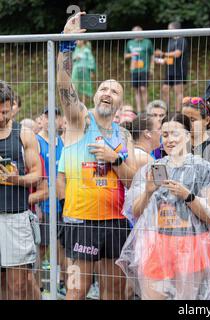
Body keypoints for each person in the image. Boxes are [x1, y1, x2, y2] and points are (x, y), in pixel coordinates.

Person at [56, 12, 136, 300]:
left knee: (113, 293)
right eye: (103, 88)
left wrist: (114, 159)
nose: (107, 92)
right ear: (93, 96)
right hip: (81, 222)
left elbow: (131, 181)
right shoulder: (80, 121)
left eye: (114, 91)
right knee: (76, 292)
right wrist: (67, 46)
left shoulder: (124, 135)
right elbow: (64, 87)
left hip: (115, 223)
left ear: (120, 103)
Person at [117, 113, 210, 299]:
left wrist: (187, 196)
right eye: (165, 135)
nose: (169, 140)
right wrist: (147, 191)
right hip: (155, 244)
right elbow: (135, 212)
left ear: (188, 135)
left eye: (175, 134)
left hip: (191, 246)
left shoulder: (205, 169)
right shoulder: (152, 169)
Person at [0, 81, 42, 300]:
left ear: (12, 106)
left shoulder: (23, 134)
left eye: (5, 112)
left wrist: (17, 179)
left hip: (16, 216)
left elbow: (37, 174)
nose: (1, 117)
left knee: (18, 284)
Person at [34, 107, 66, 295]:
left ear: (61, 120)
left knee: (62, 245)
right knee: (42, 246)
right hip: (44, 204)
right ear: (42, 119)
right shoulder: (37, 142)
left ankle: (62, 283)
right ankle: (38, 287)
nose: (51, 120)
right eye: (47, 116)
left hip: (63, 203)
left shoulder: (62, 142)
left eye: (56, 116)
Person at [181, 96, 210, 166]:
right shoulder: (178, 144)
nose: (187, 123)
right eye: (184, 119)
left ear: (207, 120)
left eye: (192, 120)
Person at [155, 22, 189, 112]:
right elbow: (169, 56)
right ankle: (167, 110)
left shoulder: (182, 40)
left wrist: (162, 53)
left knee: (178, 91)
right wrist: (162, 60)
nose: (167, 31)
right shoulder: (170, 41)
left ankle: (178, 112)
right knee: (165, 89)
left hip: (179, 70)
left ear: (175, 29)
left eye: (169, 29)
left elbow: (177, 54)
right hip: (169, 70)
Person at [125, 26, 154, 113]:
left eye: (138, 32)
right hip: (134, 69)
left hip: (144, 69)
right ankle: (138, 110)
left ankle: (146, 109)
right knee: (136, 90)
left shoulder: (147, 42)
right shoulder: (130, 43)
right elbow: (126, 55)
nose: (136, 35)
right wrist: (132, 54)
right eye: (134, 33)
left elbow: (152, 55)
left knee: (143, 89)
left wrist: (152, 67)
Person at [72, 40, 96, 106]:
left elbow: (91, 60)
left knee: (84, 85)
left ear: (83, 41)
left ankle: (83, 103)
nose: (77, 42)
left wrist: (91, 71)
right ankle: (76, 102)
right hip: (76, 70)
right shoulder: (75, 50)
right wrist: (75, 58)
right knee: (75, 85)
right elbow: (72, 59)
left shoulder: (87, 50)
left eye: (79, 40)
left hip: (84, 71)